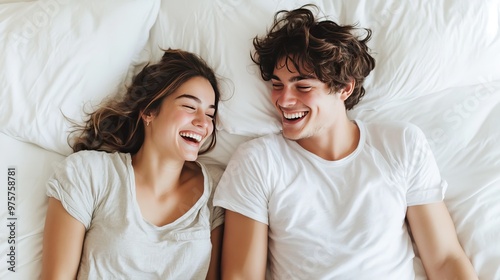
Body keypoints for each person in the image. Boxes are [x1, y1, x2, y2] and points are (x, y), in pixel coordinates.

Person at [213, 5, 478, 279]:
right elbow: (241, 276)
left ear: (344, 87)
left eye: (302, 86)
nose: (283, 99)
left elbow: (446, 260)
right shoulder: (257, 161)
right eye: (277, 84)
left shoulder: (401, 144)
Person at [41, 49, 224, 279]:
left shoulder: (217, 190)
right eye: (189, 106)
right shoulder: (89, 174)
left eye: (210, 114)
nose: (202, 123)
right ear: (149, 111)